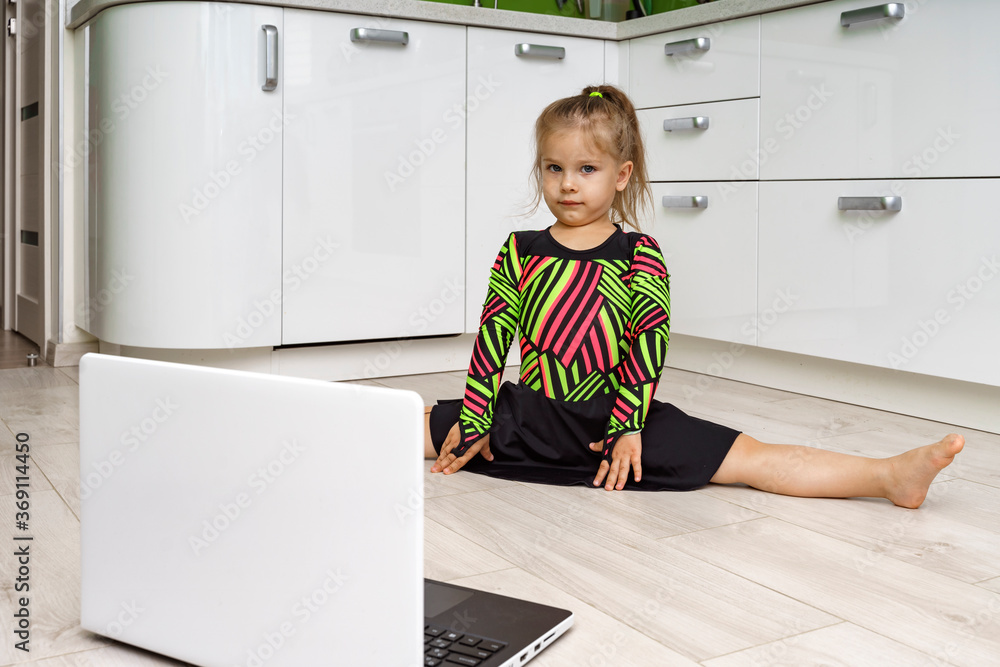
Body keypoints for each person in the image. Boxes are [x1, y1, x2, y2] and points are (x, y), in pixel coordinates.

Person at [425, 84, 963, 509]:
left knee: (752, 460)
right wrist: (477, 416)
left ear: (621, 175)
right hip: (528, 417)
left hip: (615, 425)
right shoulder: (520, 249)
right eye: (554, 168)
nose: (569, 184)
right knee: (413, 423)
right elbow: (494, 336)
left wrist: (628, 427)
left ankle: (889, 476)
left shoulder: (639, 253)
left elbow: (647, 343)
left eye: (587, 169)